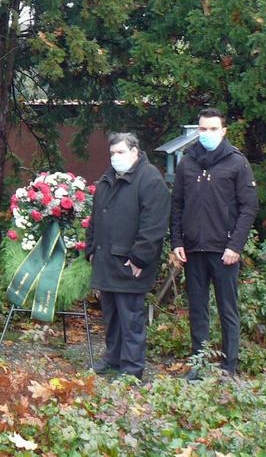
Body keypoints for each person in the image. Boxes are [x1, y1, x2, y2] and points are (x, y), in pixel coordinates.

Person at [170, 108, 259, 379]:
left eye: (212, 129)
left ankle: (228, 367)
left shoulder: (237, 162)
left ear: (223, 131)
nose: (206, 134)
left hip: (224, 251)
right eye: (202, 129)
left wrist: (236, 246)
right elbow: (177, 204)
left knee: (227, 309)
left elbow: (249, 207)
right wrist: (176, 241)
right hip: (193, 249)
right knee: (197, 310)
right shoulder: (187, 161)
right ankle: (199, 364)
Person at [85, 132, 170, 381]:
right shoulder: (107, 179)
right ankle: (113, 358)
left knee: (131, 318)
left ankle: (132, 369)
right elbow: (96, 218)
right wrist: (90, 249)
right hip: (106, 259)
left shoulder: (150, 179)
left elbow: (154, 225)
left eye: (120, 152)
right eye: (112, 153)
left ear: (135, 152)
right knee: (111, 315)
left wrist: (139, 258)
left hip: (130, 263)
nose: (115, 158)